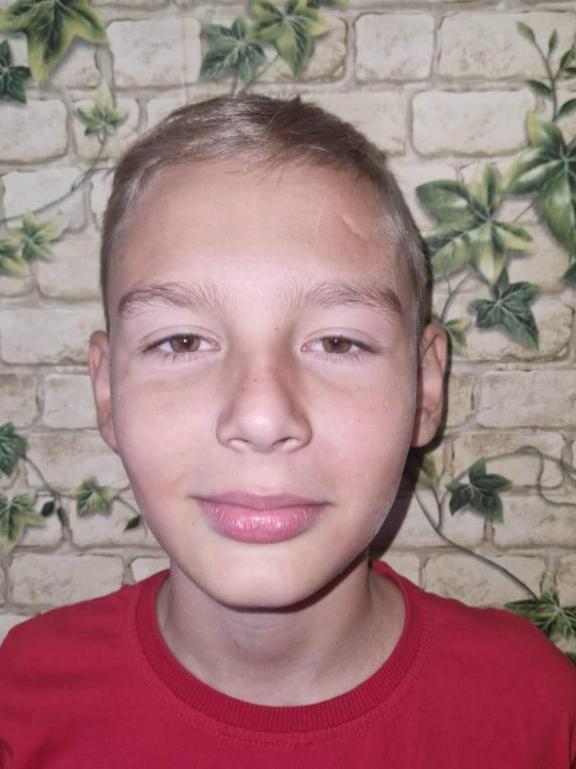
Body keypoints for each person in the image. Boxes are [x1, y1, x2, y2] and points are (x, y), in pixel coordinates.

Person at [0, 95, 574, 767]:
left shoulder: (535, 710)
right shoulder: (22, 698)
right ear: (106, 392)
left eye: (338, 342)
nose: (262, 417)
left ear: (425, 388)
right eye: (181, 341)